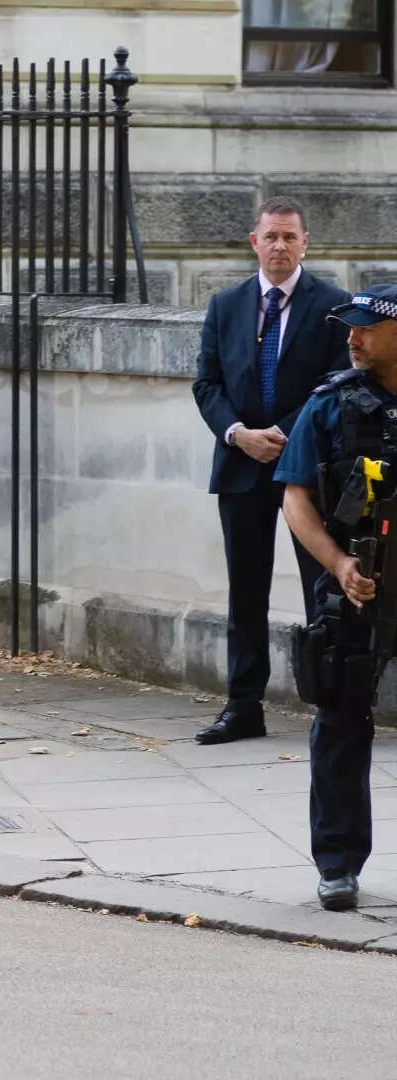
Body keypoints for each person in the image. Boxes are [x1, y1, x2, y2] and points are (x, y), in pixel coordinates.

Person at [191, 197, 352, 744]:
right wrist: (239, 434)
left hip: (308, 468)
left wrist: (279, 436)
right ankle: (243, 707)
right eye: (271, 237)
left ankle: (330, 702)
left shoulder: (333, 305)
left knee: (321, 587)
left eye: (290, 237)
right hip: (240, 466)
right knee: (246, 590)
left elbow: (335, 382)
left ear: (306, 243)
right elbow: (206, 384)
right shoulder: (226, 304)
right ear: (253, 243)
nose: (280, 246)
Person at [275, 283, 397, 911]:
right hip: (356, 587)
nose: (352, 337)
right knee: (343, 718)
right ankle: (339, 865)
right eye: (348, 327)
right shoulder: (329, 406)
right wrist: (342, 564)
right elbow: (295, 500)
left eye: (366, 328)